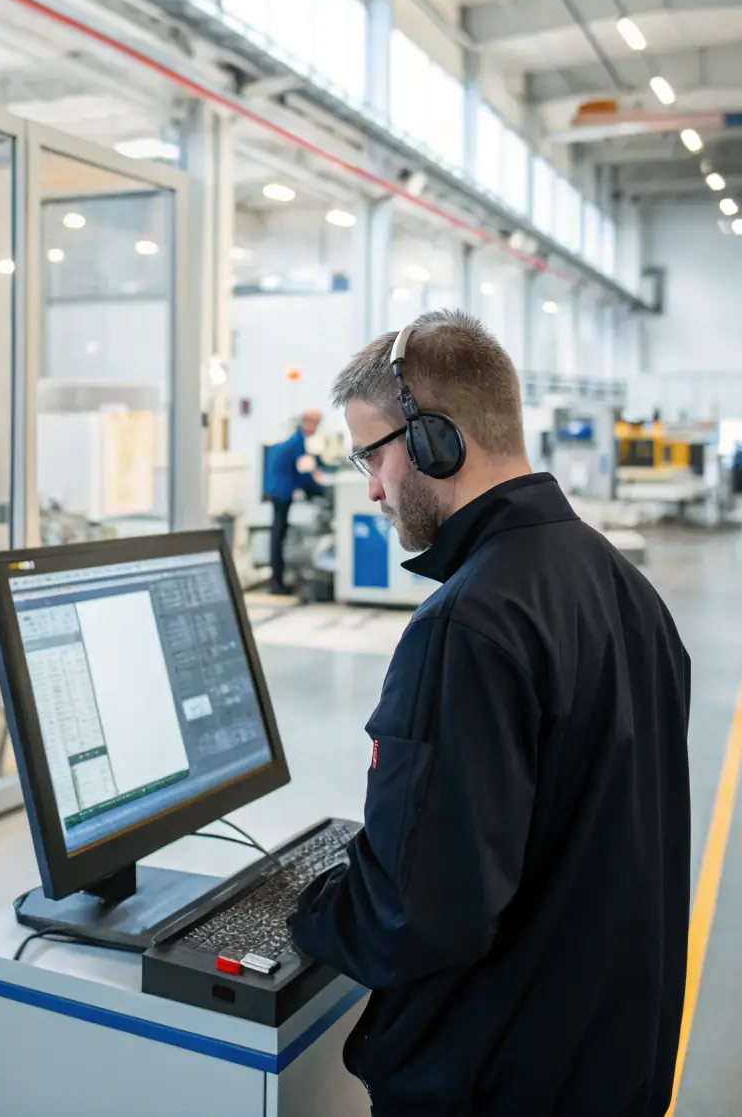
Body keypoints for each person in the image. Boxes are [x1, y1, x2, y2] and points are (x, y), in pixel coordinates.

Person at [288, 311, 691, 1117]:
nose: (370, 485)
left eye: (373, 454)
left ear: (436, 440)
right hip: (607, 1063)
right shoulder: (621, 587)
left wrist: (306, 905)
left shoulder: (468, 625)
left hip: (501, 1081)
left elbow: (417, 914)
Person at [263, 409, 323, 595]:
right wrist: (318, 490)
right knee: (278, 537)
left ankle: (278, 581)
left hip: (279, 491)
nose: (317, 428)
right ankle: (277, 583)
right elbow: (303, 473)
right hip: (282, 493)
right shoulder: (298, 442)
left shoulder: (296, 441)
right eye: (315, 423)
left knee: (278, 535)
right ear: (306, 422)